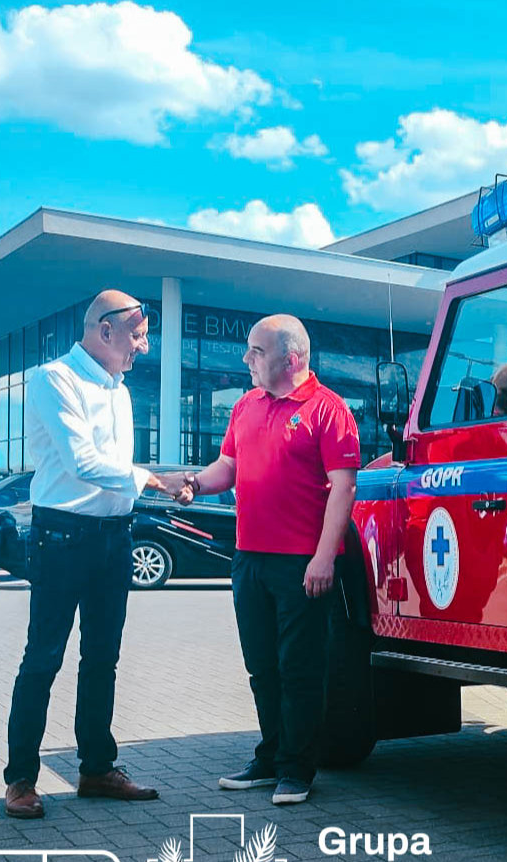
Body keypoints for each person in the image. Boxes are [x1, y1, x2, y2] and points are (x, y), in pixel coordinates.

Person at [4, 289, 183, 819]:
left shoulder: (120, 391)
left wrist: (158, 483)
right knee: (43, 658)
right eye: (138, 336)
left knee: (103, 658)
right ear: (105, 330)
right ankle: (20, 780)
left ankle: (97, 769)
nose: (143, 347)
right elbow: (81, 461)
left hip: (114, 537)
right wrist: (155, 480)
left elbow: (114, 470)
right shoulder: (54, 379)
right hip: (61, 537)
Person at [174, 314, 360, 805]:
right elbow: (228, 467)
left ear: (290, 358)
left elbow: (344, 488)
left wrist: (324, 558)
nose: (246, 359)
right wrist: (194, 483)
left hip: (301, 564)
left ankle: (297, 769)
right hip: (249, 559)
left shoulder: (329, 410)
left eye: (256, 351)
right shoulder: (245, 406)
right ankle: (272, 757)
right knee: (262, 666)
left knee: (299, 668)